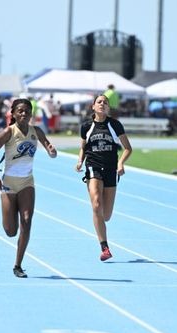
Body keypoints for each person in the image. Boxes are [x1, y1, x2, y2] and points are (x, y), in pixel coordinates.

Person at [0, 98, 57, 278]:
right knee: (11, 231)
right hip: (8, 184)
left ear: (32, 114)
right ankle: (11, 226)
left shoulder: (36, 131)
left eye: (27, 111)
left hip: (27, 183)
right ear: (13, 113)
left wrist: (51, 151)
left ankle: (18, 265)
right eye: (20, 111)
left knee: (27, 221)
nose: (24, 114)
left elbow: (49, 147)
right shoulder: (8, 132)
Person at [75, 94, 132, 261]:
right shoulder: (86, 127)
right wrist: (80, 160)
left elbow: (128, 148)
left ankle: (102, 231)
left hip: (110, 170)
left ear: (108, 108)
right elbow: (83, 148)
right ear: (93, 106)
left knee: (106, 215)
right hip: (93, 167)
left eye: (105, 103)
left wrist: (121, 163)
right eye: (99, 102)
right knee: (96, 204)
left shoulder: (115, 125)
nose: (102, 104)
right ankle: (104, 247)